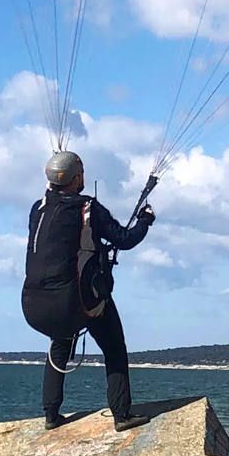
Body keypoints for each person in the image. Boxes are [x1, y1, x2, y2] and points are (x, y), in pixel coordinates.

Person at [20, 150, 154, 432]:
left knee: (60, 345)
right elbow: (125, 239)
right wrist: (145, 220)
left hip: (35, 306)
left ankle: (51, 415)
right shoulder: (87, 208)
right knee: (114, 347)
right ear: (77, 177)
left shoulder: (38, 208)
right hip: (77, 303)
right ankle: (122, 415)